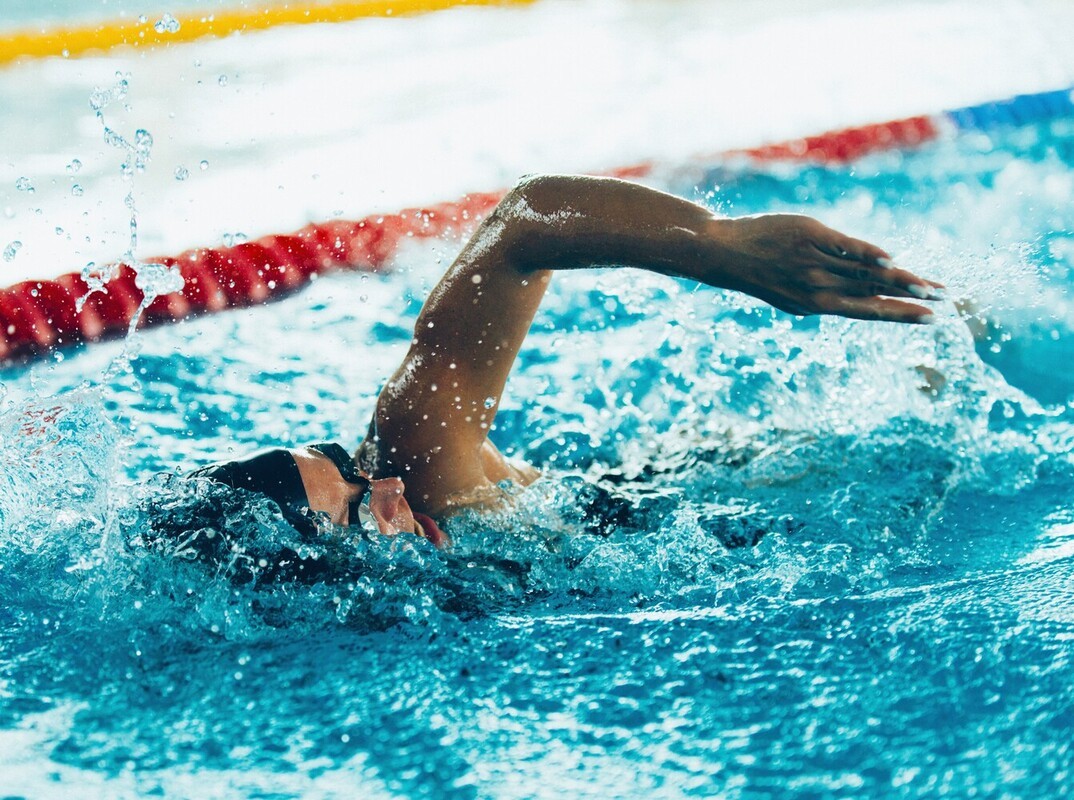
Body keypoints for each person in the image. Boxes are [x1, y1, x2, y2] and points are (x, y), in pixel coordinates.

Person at [183, 174, 943, 550]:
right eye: (356, 511)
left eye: (346, 465)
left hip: (659, 506)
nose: (384, 488)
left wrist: (719, 247)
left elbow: (523, 223)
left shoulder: (417, 468)